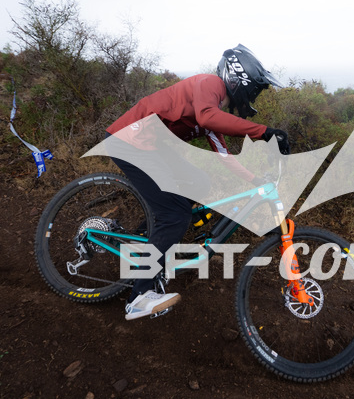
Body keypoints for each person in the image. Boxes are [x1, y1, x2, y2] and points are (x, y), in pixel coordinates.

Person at [105, 44, 290, 320]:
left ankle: (148, 238)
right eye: (254, 90)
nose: (253, 97)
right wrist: (263, 132)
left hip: (151, 147)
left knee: (199, 182)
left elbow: (224, 156)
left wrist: (255, 180)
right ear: (239, 79)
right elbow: (207, 116)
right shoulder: (210, 84)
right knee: (175, 216)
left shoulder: (211, 110)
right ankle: (139, 297)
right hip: (129, 142)